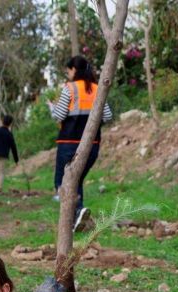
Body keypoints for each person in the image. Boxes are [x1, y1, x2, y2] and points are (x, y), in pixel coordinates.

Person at [50, 56, 113, 232]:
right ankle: (78, 215)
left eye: (68, 70)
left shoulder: (69, 89)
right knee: (75, 180)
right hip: (92, 145)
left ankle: (76, 213)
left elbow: (59, 115)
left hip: (68, 143)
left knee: (62, 181)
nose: (67, 74)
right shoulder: (98, 89)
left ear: (73, 70)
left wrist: (52, 109)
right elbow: (107, 116)